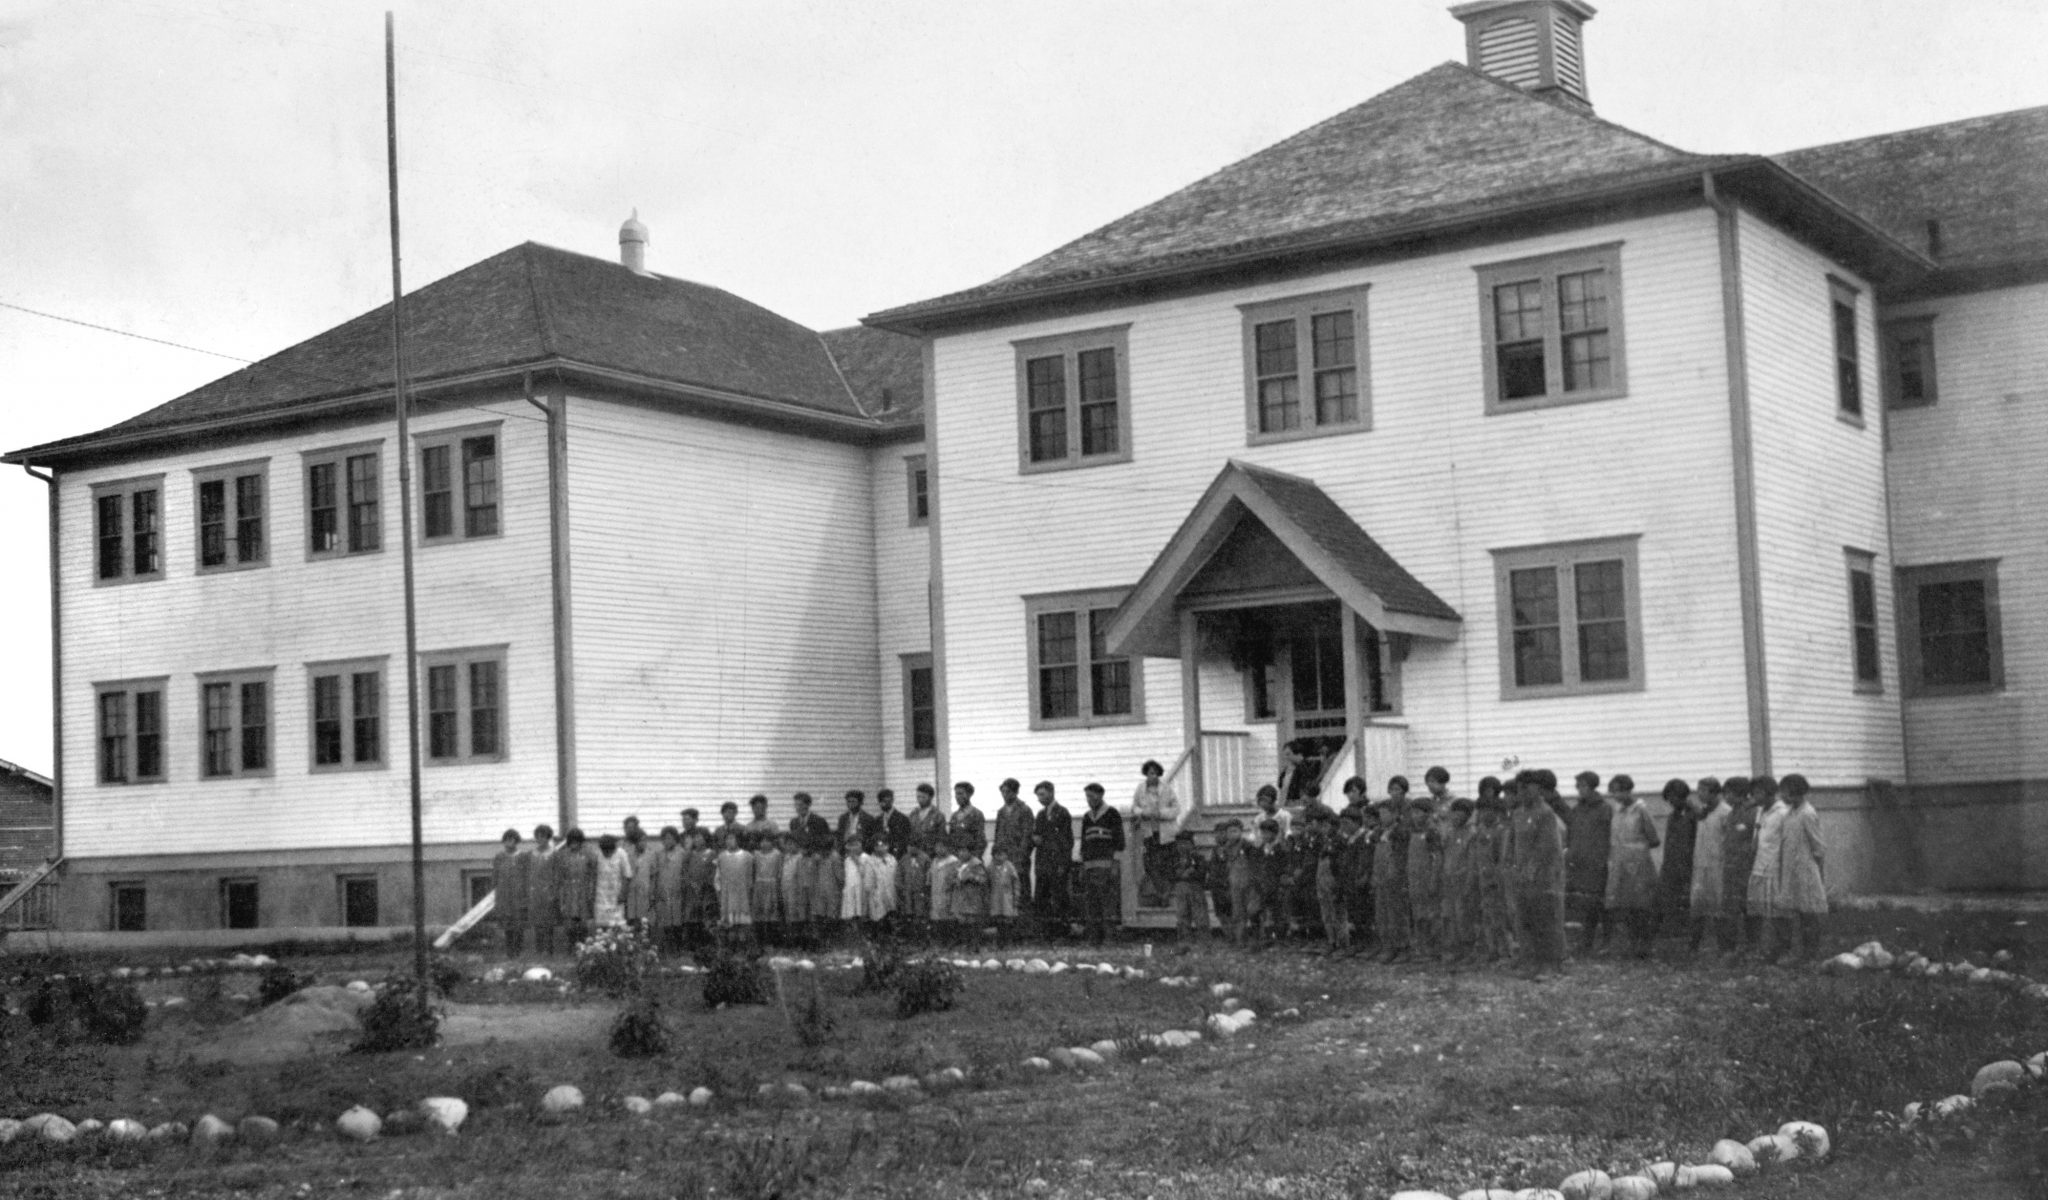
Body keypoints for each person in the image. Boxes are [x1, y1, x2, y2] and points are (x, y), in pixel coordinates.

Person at [1508, 770, 1568, 979]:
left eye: (1528, 787)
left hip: (1544, 876)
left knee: (1546, 920)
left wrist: (1532, 870)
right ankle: (1530, 962)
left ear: (1538, 789)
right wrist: (1514, 868)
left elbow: (1547, 847)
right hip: (1522, 875)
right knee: (1525, 919)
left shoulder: (1546, 813)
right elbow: (1513, 843)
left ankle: (1551, 965)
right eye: (1520, 788)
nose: (1524, 792)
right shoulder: (1517, 813)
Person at [1604, 775, 1662, 958]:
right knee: (1624, 905)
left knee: (1641, 905)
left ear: (1629, 790)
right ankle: (1631, 943)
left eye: (1620, 790)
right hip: (1620, 863)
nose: (1617, 795)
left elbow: (1653, 838)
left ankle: (1644, 944)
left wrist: (1636, 850)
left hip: (1638, 864)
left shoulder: (1640, 810)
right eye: (1614, 791)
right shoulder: (1617, 811)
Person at [1772, 774, 1828, 961]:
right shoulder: (1789, 813)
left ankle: (1811, 953)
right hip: (1790, 869)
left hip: (1805, 870)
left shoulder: (1807, 813)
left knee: (1808, 913)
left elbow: (1818, 846)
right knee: (1791, 910)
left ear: (1796, 792)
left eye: (1785, 792)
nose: (1782, 796)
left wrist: (1819, 872)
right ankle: (1793, 951)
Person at [1564, 771, 1614, 957]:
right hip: (1581, 863)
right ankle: (1586, 942)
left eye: (1582, 786)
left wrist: (1603, 859)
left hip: (1598, 862)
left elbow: (1608, 836)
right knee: (1586, 904)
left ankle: (1607, 941)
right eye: (1577, 786)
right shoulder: (1577, 810)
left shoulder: (1604, 809)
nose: (1579, 790)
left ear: (1592, 787)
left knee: (1601, 904)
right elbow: (1573, 835)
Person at [1076, 782, 1124, 946]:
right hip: (1090, 867)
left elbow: (1120, 842)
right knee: (1092, 904)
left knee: (1108, 903)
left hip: (1106, 866)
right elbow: (1084, 842)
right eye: (1087, 796)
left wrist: (1115, 864)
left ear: (1101, 795)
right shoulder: (1087, 817)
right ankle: (1094, 939)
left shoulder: (1112, 814)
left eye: (1092, 796)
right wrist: (1083, 865)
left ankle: (1109, 938)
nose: (1089, 799)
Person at [1748, 775, 1790, 960]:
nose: (1755, 797)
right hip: (1759, 866)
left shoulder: (1782, 813)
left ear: (1770, 793)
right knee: (1760, 911)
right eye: (1753, 793)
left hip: (1775, 869)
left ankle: (1782, 950)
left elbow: (1787, 843)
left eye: (1758, 793)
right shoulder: (1761, 811)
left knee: (1778, 913)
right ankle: (1765, 949)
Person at [1686, 778, 1729, 956]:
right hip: (1701, 865)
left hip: (1718, 865)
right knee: (1697, 905)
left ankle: (1724, 947)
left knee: (1719, 906)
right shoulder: (1702, 811)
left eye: (1704, 791)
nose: (1700, 794)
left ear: (1715, 793)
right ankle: (1693, 946)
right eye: (1698, 790)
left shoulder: (1726, 812)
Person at [1131, 759, 1181, 907]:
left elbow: (1176, 809)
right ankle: (1161, 892)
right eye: (1149, 773)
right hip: (1149, 833)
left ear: (1159, 774)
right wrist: (1143, 812)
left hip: (1165, 833)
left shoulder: (1167, 789)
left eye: (1154, 773)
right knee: (1150, 864)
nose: (1151, 776)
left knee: (1167, 864)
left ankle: (1166, 893)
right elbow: (1134, 806)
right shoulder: (1140, 789)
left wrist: (1161, 813)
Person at [1720, 776, 1759, 955]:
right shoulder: (1731, 813)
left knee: (1749, 908)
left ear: (1740, 794)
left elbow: (1753, 841)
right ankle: (1730, 947)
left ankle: (1753, 945)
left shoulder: (1753, 813)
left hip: (1746, 868)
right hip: (1730, 868)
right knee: (1730, 908)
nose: (1725, 797)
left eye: (1728, 793)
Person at [1031, 781, 1075, 939]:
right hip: (1043, 863)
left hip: (1057, 863)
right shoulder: (1041, 815)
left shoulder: (1062, 813)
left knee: (1060, 897)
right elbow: (1036, 836)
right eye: (1038, 796)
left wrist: (1063, 863)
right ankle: (1046, 933)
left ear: (1051, 792)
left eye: (1042, 794)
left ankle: (1062, 932)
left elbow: (1067, 841)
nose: (1040, 798)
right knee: (1042, 898)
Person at [1655, 779, 1698, 941]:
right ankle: (1672, 932)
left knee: (1686, 899)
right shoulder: (1673, 816)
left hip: (1688, 864)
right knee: (1668, 899)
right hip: (1672, 865)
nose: (1671, 803)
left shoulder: (1694, 815)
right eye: (1669, 799)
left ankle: (1686, 933)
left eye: (1674, 798)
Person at [1372, 782, 1411, 962]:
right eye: (1380, 814)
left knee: (1398, 914)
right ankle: (1387, 946)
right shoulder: (1379, 833)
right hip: (1381, 879)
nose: (1382, 816)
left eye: (1386, 813)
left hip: (1396, 879)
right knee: (1382, 914)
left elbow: (1402, 858)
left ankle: (1402, 948)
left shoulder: (1400, 833)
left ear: (1395, 814)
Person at [1474, 791, 1514, 962]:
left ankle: (1506, 951)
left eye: (1486, 811)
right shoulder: (1481, 831)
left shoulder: (1502, 831)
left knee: (1501, 917)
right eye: (1480, 811)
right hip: (1484, 880)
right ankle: (1492, 950)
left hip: (1497, 882)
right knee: (1488, 916)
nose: (1482, 815)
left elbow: (1502, 858)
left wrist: (1496, 879)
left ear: (1496, 812)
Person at [1440, 798, 1479, 964]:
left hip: (1464, 881)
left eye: (1460, 813)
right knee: (1450, 916)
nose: (1455, 816)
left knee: (1464, 916)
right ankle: (1454, 948)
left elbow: (1472, 861)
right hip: (1449, 881)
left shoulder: (1471, 834)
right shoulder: (1450, 833)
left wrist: (1468, 881)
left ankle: (1469, 950)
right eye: (1453, 812)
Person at [1404, 795, 1443, 961]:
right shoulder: (1413, 832)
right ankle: (1421, 947)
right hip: (1414, 880)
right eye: (1413, 813)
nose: (1415, 816)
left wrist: (1434, 879)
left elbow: (1437, 858)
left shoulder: (1432, 833)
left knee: (1431, 915)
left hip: (1427, 880)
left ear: (1427, 814)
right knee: (1418, 914)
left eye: (1418, 812)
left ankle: (1433, 949)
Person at [1336, 808, 1374, 957]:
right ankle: (1355, 943)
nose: (1344, 827)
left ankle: (1366, 944)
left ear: (1357, 823)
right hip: (1350, 882)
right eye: (1342, 824)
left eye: (1347, 823)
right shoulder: (1348, 840)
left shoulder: (1365, 838)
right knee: (1353, 913)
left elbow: (1366, 861)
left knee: (1363, 913)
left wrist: (1364, 876)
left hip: (1360, 881)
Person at [1310, 811, 1348, 955]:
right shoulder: (1322, 841)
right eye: (1321, 825)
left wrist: (1339, 884)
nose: (1323, 828)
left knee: (1338, 913)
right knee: (1326, 913)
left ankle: (1343, 944)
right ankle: (1331, 941)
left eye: (1326, 825)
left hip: (1334, 880)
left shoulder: (1340, 841)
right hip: (1321, 880)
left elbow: (1341, 865)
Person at [552, 827, 598, 948]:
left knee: (583, 921)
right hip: (568, 892)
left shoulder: (588, 854)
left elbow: (593, 874)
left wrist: (591, 892)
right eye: (572, 841)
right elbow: (559, 876)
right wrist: (560, 895)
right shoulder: (563, 855)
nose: (574, 844)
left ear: (581, 841)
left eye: (577, 841)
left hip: (583, 891)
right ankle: (571, 946)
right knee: (570, 921)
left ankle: (583, 947)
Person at [1166, 829, 1208, 951]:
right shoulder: (1174, 860)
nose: (1183, 846)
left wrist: (1191, 874)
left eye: (1186, 843)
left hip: (1195, 888)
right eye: (1180, 843)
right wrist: (1179, 875)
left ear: (1192, 844)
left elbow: (1202, 873)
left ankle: (1204, 943)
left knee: (1200, 917)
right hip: (1180, 889)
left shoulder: (1198, 858)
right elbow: (1170, 874)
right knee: (1182, 916)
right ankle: (1184, 942)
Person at [1248, 818, 1287, 948]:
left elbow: (1282, 868)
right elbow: (1254, 868)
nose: (1265, 836)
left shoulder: (1281, 850)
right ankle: (1259, 937)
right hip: (1260, 886)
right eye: (1263, 833)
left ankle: (1278, 939)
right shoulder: (1258, 851)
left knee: (1276, 913)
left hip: (1275, 886)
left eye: (1268, 833)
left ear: (1275, 834)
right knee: (1255, 911)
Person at [651, 826, 688, 953]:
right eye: (665, 838)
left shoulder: (682, 853)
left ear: (675, 839)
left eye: (670, 838)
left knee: (677, 921)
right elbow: (655, 873)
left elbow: (685, 873)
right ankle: (666, 950)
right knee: (664, 922)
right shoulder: (658, 854)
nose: (667, 841)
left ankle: (677, 950)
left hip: (677, 891)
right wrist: (655, 890)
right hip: (662, 892)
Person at [715, 830, 755, 947]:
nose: (729, 841)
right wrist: (719, 890)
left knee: (742, 922)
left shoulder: (747, 856)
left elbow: (750, 876)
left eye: (732, 838)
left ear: (738, 840)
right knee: (729, 922)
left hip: (742, 893)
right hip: (727, 893)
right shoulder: (722, 856)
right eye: (727, 839)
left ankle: (743, 946)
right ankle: (731, 947)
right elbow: (718, 876)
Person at [682, 827, 718, 949]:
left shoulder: (711, 854)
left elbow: (713, 872)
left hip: (706, 892)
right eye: (695, 837)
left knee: (705, 917)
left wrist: (703, 884)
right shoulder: (690, 855)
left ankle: (706, 946)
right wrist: (691, 883)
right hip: (691, 892)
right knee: (692, 917)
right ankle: (692, 947)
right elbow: (685, 871)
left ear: (705, 838)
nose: (697, 840)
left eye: (699, 837)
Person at [951, 841, 991, 954]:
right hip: (961, 899)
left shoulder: (976, 864)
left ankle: (975, 946)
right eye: (959, 851)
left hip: (973, 899)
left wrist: (972, 877)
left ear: (970, 852)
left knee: (973, 923)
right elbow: (953, 878)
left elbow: (983, 879)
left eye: (964, 851)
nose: (961, 853)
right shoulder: (958, 864)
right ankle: (966, 945)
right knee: (963, 923)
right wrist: (955, 881)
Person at [992, 780, 1035, 882]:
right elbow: (998, 834)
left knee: (1021, 886)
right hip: (1003, 856)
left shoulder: (1024, 810)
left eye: (1008, 792)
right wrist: (996, 854)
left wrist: (1021, 856)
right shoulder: (1001, 812)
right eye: (1003, 792)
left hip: (1019, 856)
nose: (1005, 795)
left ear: (1016, 792)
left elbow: (1027, 836)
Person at [1206, 818, 1240, 945]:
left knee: (1231, 911)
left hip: (1228, 885)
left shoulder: (1232, 849)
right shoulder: (1215, 850)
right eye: (1216, 833)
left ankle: (1236, 936)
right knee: (1221, 913)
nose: (1219, 836)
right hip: (1217, 887)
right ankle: (1228, 935)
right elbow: (1213, 867)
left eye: (1222, 833)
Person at [527, 824, 559, 955]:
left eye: (543, 836)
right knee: (537, 921)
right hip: (535, 891)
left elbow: (557, 874)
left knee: (548, 921)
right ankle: (539, 949)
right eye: (538, 836)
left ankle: (549, 949)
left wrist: (554, 891)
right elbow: (528, 872)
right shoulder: (532, 853)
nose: (540, 839)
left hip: (548, 890)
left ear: (548, 837)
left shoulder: (554, 853)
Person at [593, 832, 634, 928]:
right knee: (602, 925)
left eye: (608, 851)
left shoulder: (621, 853)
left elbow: (627, 875)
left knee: (617, 925)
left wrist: (623, 894)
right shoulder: (597, 854)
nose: (606, 853)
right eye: (604, 851)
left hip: (616, 895)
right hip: (601, 896)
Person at [751, 828, 784, 945]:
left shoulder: (777, 854)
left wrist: (778, 885)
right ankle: (760, 940)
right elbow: (753, 871)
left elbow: (780, 871)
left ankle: (772, 940)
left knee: (772, 912)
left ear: (772, 842)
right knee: (759, 913)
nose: (765, 844)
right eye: (762, 841)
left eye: (768, 841)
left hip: (772, 885)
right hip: (759, 885)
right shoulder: (756, 855)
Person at [778, 831, 811, 948]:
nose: (790, 846)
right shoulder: (786, 858)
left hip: (797, 892)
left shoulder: (800, 858)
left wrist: (801, 892)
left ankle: (800, 943)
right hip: (786, 890)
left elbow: (803, 878)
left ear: (798, 845)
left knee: (799, 918)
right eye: (788, 844)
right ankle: (791, 942)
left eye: (793, 844)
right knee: (789, 917)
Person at [987, 849, 1021, 946]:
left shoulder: (1010, 867)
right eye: (997, 855)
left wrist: (1016, 897)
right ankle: (999, 943)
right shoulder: (990, 868)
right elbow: (987, 884)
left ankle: (1008, 942)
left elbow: (1016, 883)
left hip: (1007, 899)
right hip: (995, 899)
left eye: (1002, 854)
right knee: (998, 921)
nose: (999, 857)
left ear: (1006, 855)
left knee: (1007, 921)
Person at [948, 781, 987, 859]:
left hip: (972, 859)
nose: (957, 797)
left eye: (961, 794)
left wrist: (973, 859)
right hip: (956, 859)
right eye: (956, 794)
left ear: (969, 795)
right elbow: (951, 840)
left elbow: (980, 841)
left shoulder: (977, 814)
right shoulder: (954, 816)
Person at [908, 782, 947, 859]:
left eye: (923, 797)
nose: (920, 800)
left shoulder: (938, 815)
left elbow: (941, 838)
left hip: (931, 855)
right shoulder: (913, 814)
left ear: (930, 797)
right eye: (918, 797)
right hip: (916, 855)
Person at [875, 788, 913, 859]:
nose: (883, 804)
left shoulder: (902, 819)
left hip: (897, 855)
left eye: (886, 801)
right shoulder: (878, 819)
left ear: (892, 801)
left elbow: (905, 839)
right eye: (881, 801)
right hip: (881, 854)